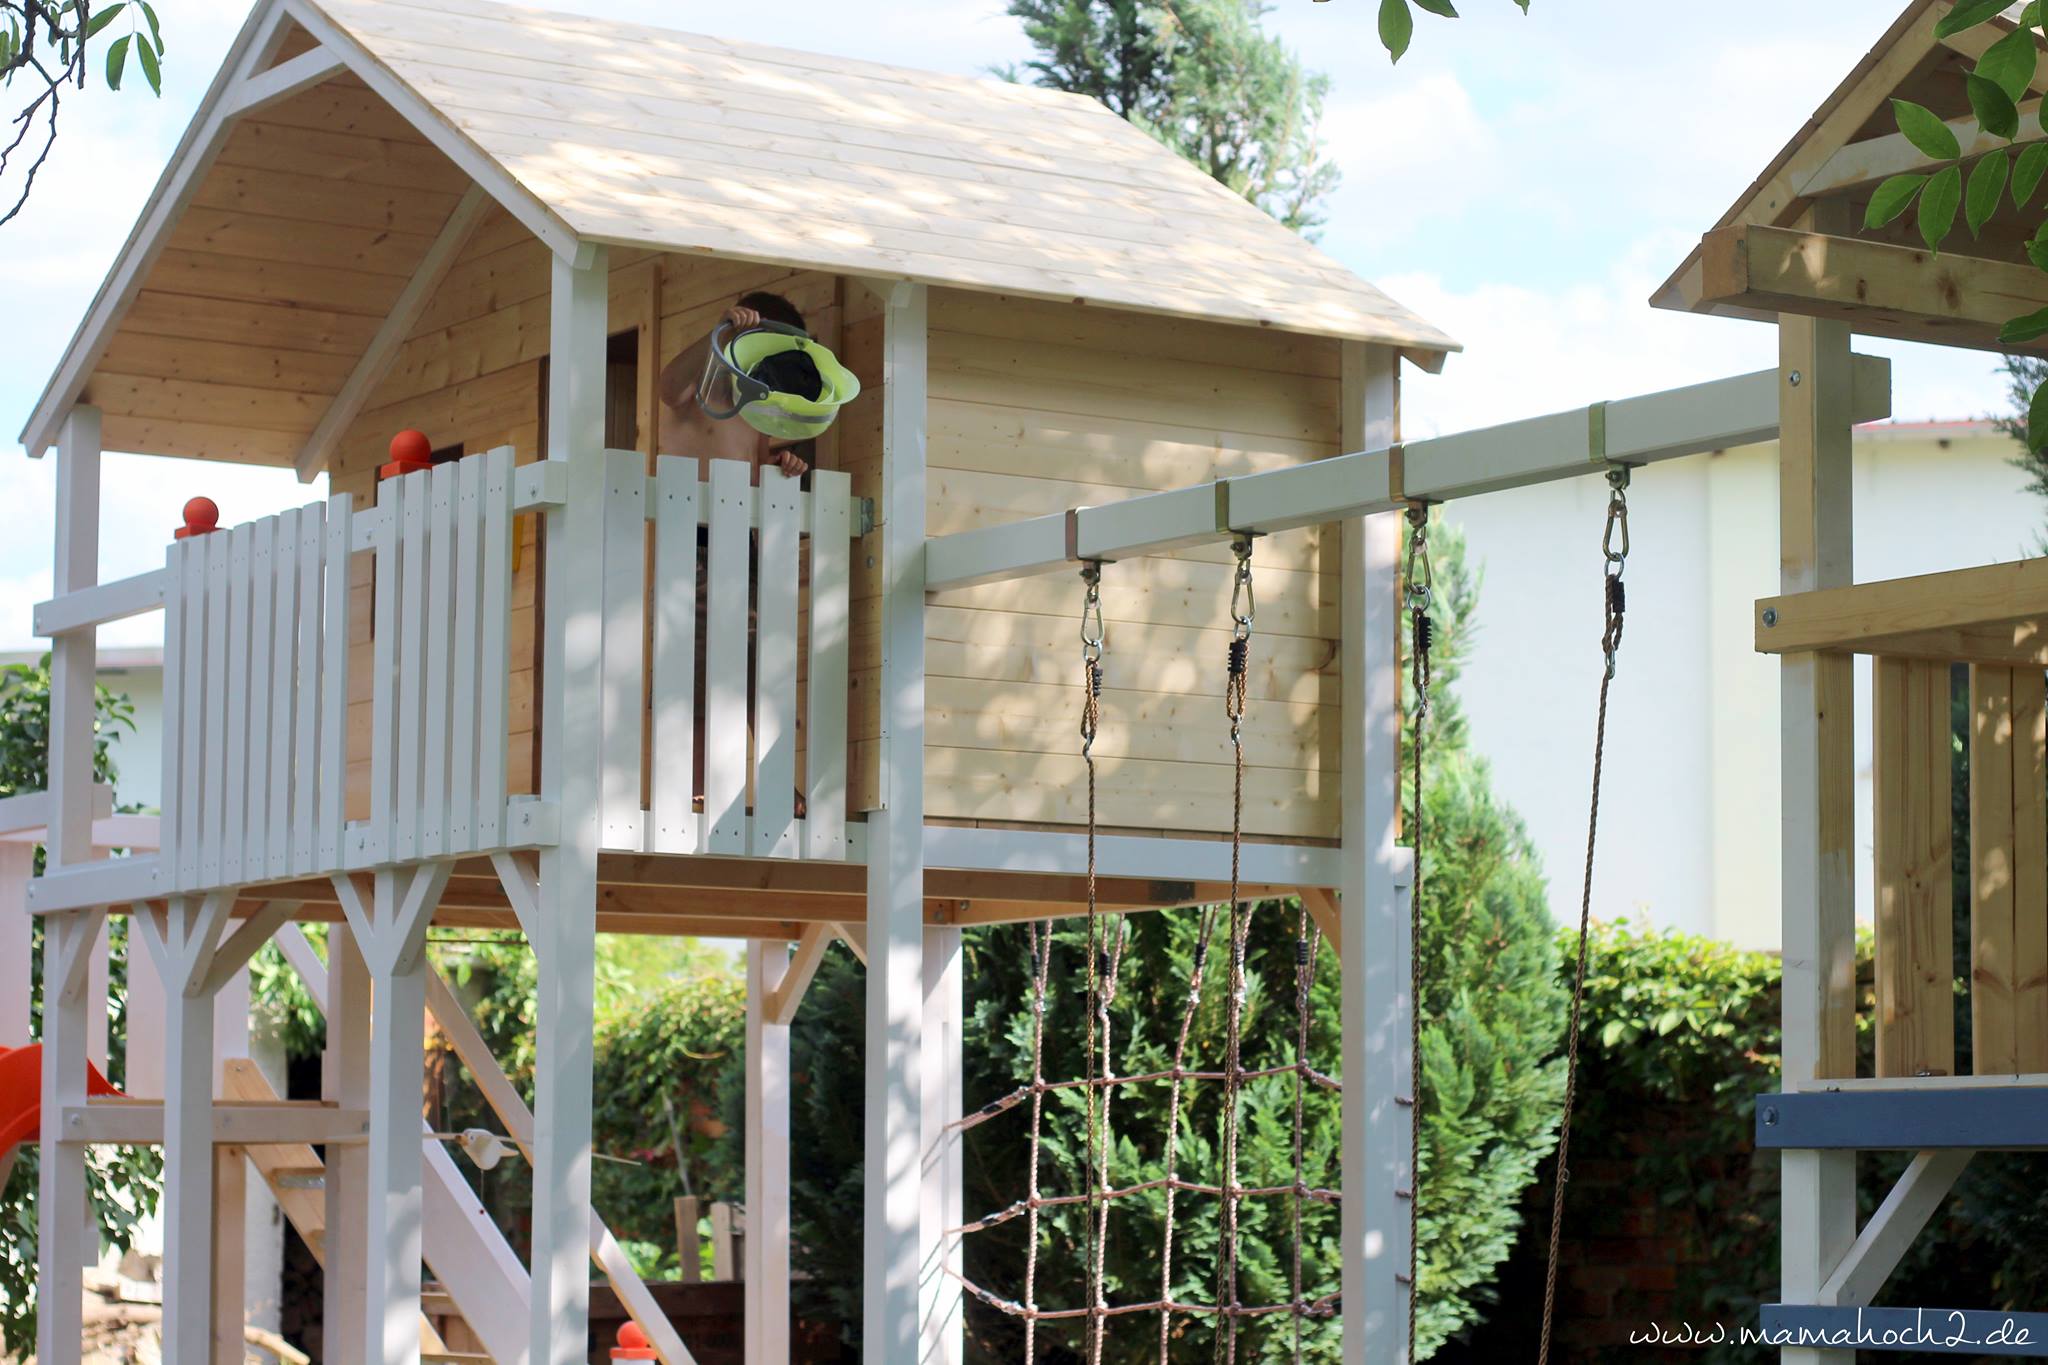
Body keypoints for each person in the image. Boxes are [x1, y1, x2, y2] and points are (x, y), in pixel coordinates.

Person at [658, 290, 821, 480]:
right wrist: (720, 332)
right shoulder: (701, 382)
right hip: (686, 502)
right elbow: (668, 388)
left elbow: (757, 467)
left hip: (736, 505)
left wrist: (780, 466)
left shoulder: (758, 403)